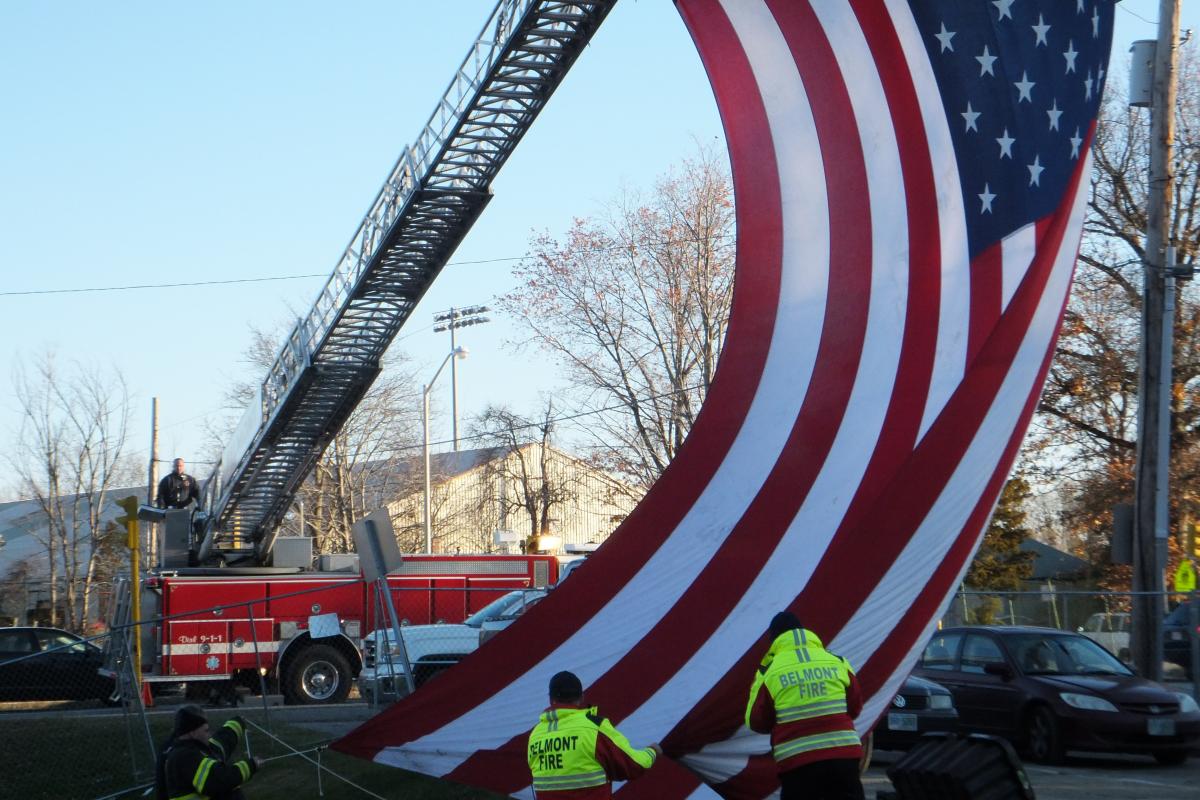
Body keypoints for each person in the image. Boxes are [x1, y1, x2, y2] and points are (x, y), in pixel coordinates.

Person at [746, 611, 865, 800]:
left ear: (775, 640)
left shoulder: (769, 672)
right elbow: (855, 706)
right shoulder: (837, 662)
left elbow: (756, 720)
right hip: (843, 756)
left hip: (798, 763)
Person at [527, 670, 660, 798]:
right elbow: (635, 765)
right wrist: (652, 751)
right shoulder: (593, 727)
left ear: (551, 699)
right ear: (581, 697)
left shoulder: (535, 734)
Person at [155, 705, 260, 800]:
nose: (209, 735)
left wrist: (238, 723)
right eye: (206, 730)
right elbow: (218, 780)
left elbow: (222, 743)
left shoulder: (191, 748)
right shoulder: (185, 756)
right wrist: (251, 765)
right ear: (193, 732)